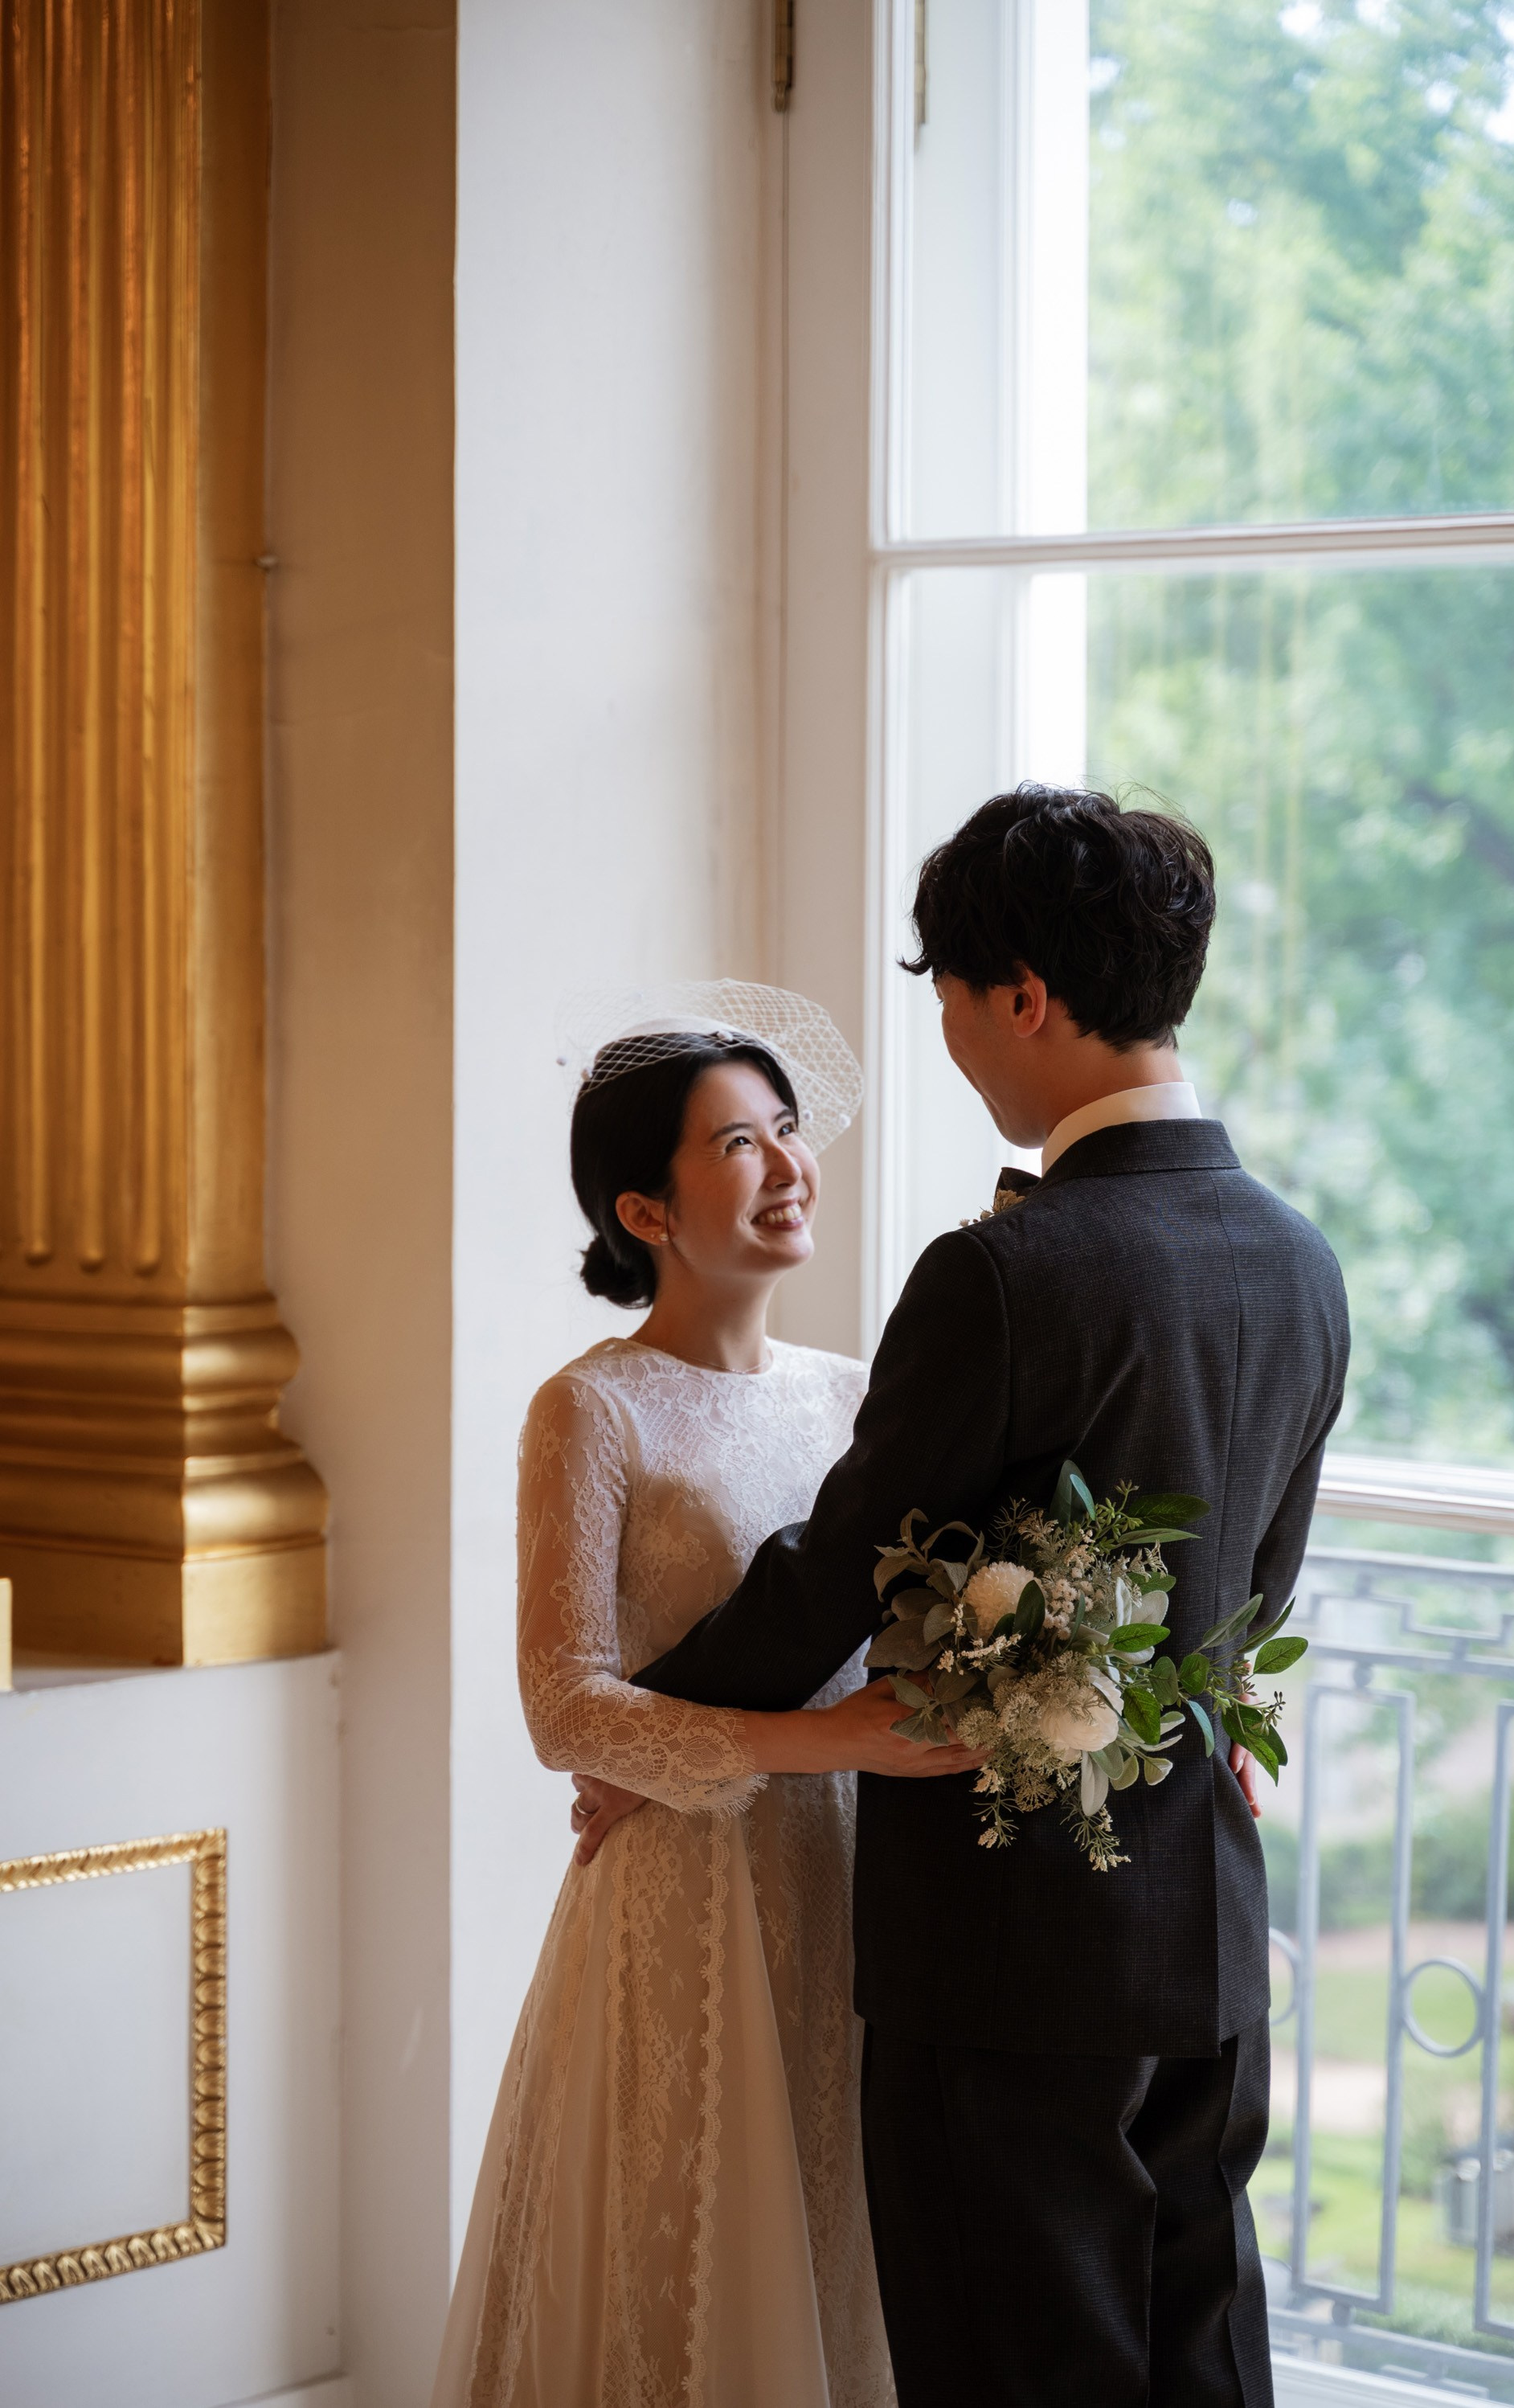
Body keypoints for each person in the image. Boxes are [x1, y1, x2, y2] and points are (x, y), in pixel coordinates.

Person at [604, 789, 1351, 2408]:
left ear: (1022, 993)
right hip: (1206, 1929)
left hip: (1007, 1947)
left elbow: (839, 1565)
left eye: (943, 993)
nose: (945, 1033)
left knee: (1015, 2369)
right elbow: (1252, 1589)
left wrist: (656, 1719)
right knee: (1198, 2356)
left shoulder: (1007, 1270)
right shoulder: (1297, 1257)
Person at [430, 987, 980, 2408]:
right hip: (686, 1891)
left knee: (843, 2237)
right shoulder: (591, 1409)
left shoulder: (860, 1395)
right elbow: (566, 1707)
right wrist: (828, 1739)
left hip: (863, 1877)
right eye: (740, 1143)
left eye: (789, 1130)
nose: (790, 1166)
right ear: (647, 1210)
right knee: (682, 2254)